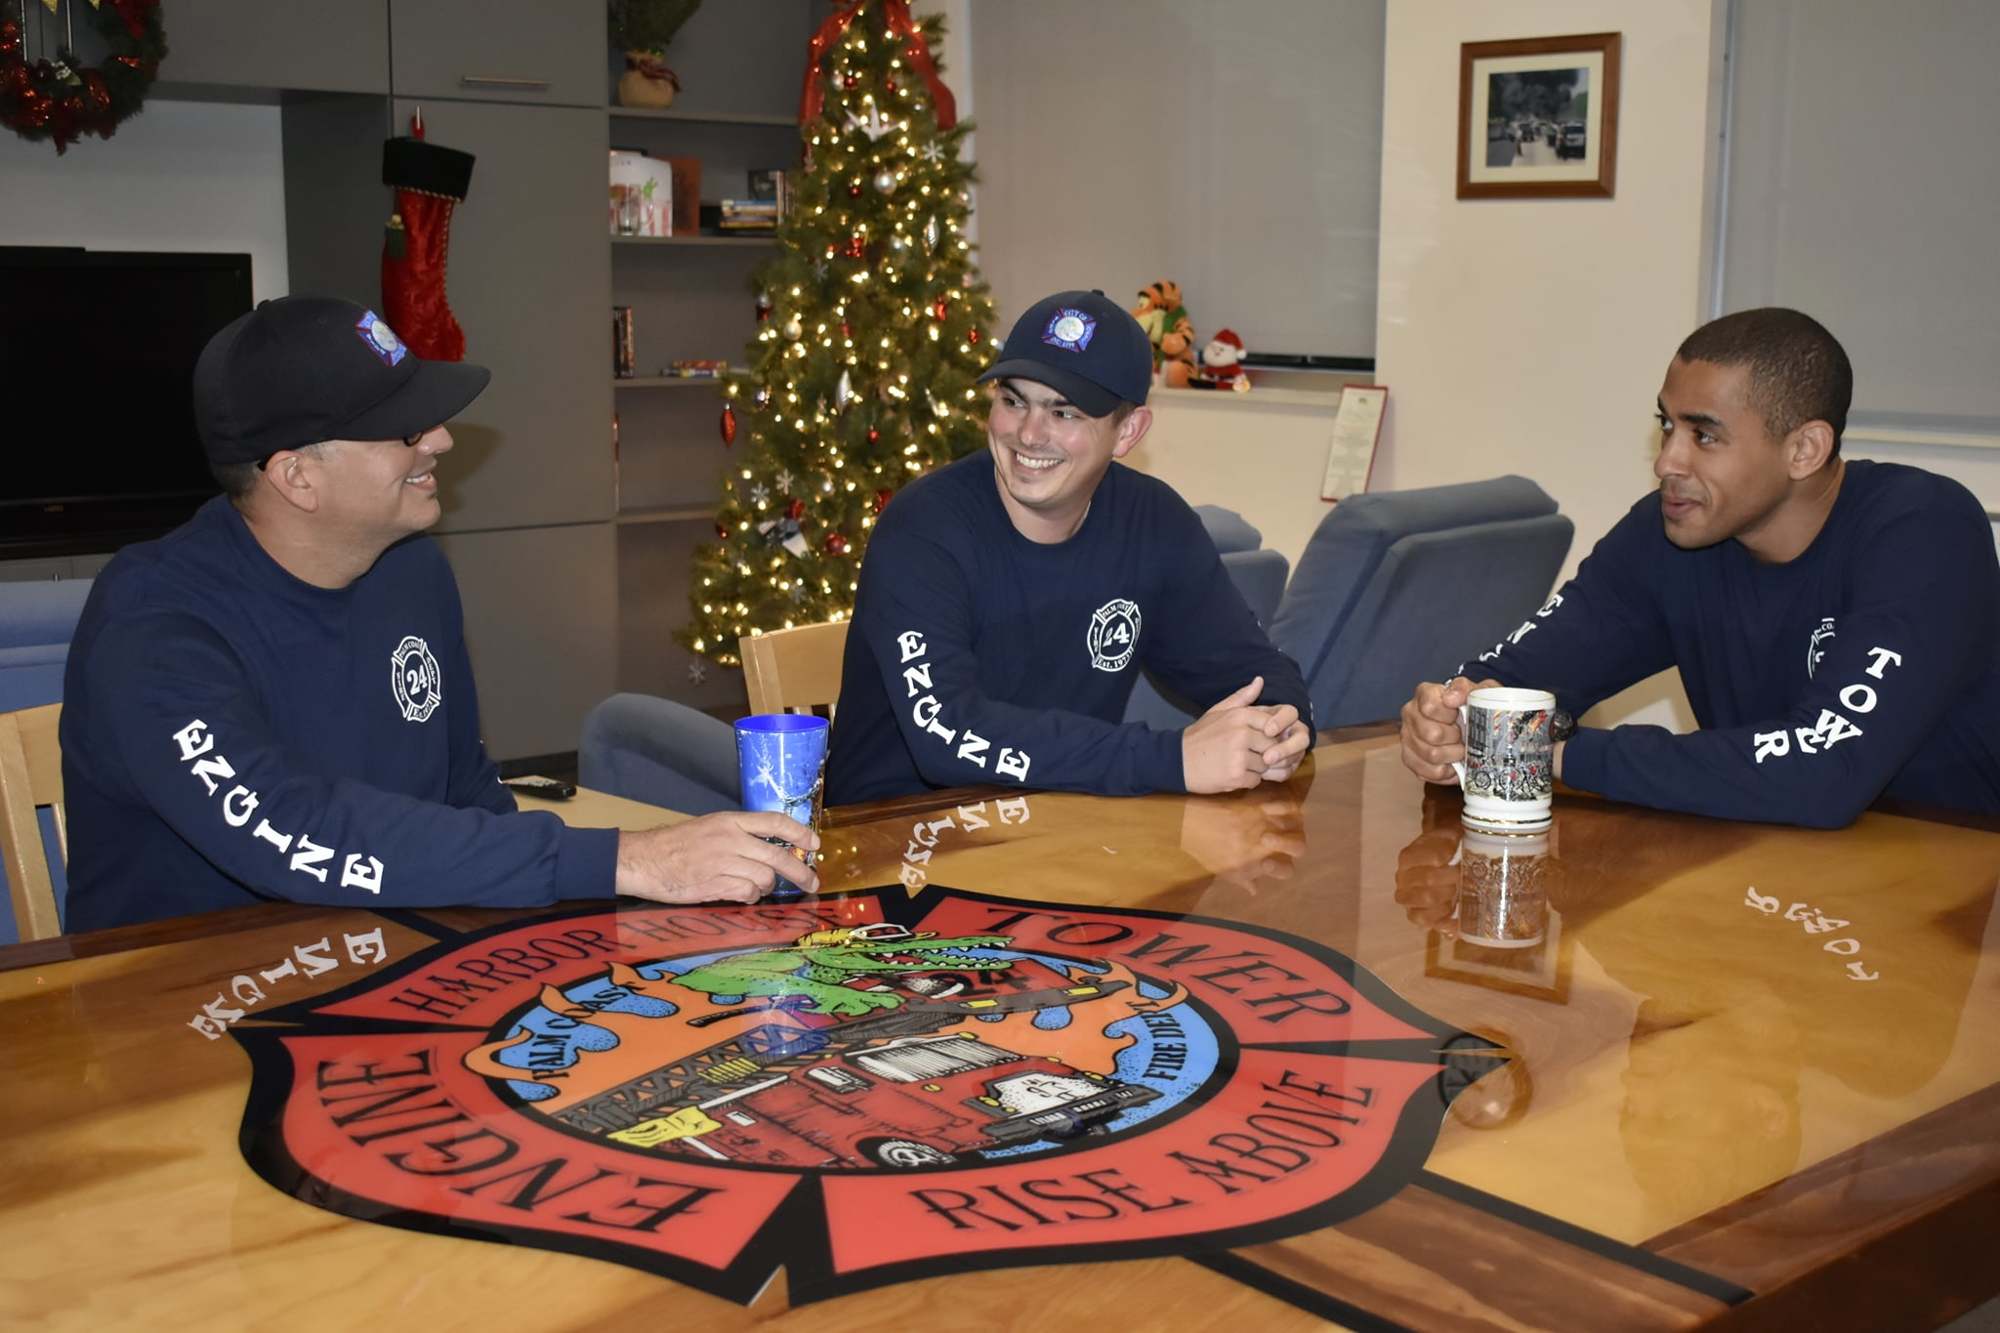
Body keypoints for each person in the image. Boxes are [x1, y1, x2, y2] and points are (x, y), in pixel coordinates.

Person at [61, 296, 816, 931]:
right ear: (297, 476)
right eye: (405, 429)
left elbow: (464, 796)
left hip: (389, 963)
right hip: (176, 1018)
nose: (443, 439)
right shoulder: (152, 625)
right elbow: (294, 830)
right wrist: (627, 857)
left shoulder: (413, 573)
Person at [1400, 307, 2000, 827]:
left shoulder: (1923, 530)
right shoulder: (1669, 531)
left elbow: (1825, 772)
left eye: (1704, 435)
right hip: (1749, 865)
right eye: (1667, 424)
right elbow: (1510, 682)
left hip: (1942, 880)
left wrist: (1543, 754)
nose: (1666, 461)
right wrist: (1451, 719)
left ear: (1803, 450)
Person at [826, 288, 1314, 805]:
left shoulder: (1153, 522)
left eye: (1065, 414)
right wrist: (1171, 760)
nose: (1029, 435)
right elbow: (944, 735)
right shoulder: (923, 529)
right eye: (1013, 401)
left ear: (1127, 431)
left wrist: (1279, 730)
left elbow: (1258, 673)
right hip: (893, 843)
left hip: (1060, 829)